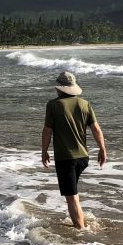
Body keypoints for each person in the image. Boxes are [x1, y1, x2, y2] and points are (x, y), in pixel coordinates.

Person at [41, 71, 107, 230]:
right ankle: (81, 223)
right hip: (83, 157)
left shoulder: (53, 105)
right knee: (73, 194)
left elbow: (47, 130)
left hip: (66, 158)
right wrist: (102, 149)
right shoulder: (84, 104)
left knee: (71, 197)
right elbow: (96, 129)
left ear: (59, 88)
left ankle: (81, 231)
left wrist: (44, 151)